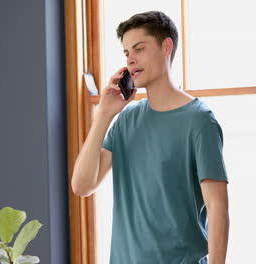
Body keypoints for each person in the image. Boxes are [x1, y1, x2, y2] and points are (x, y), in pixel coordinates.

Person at [71, 11, 229, 264]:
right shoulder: (125, 121)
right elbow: (82, 186)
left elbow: (218, 209)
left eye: (139, 49)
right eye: (126, 53)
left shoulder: (200, 121)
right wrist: (103, 114)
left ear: (167, 46)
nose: (130, 60)